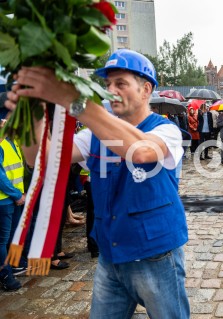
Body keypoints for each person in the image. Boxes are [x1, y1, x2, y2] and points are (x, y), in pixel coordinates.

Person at [5, 49, 189, 318]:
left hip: (156, 256)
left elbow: (140, 152)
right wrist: (32, 109)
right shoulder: (93, 134)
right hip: (110, 254)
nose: (111, 90)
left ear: (146, 89)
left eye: (121, 83)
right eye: (107, 85)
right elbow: (39, 158)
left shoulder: (166, 130)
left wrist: (77, 102)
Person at [0, 97, 25, 291]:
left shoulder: (11, 139)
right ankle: (6, 275)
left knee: (9, 238)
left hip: (13, 198)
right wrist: (16, 194)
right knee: (2, 240)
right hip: (5, 200)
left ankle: (13, 265)